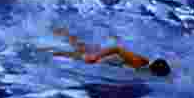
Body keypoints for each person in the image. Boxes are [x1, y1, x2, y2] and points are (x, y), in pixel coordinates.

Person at [43, 27, 171, 77]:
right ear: (155, 72)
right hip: (107, 55)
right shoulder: (139, 62)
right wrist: (96, 57)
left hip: (110, 59)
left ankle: (62, 33)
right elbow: (117, 49)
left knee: (79, 49)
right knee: (77, 55)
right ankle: (47, 50)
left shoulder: (146, 68)